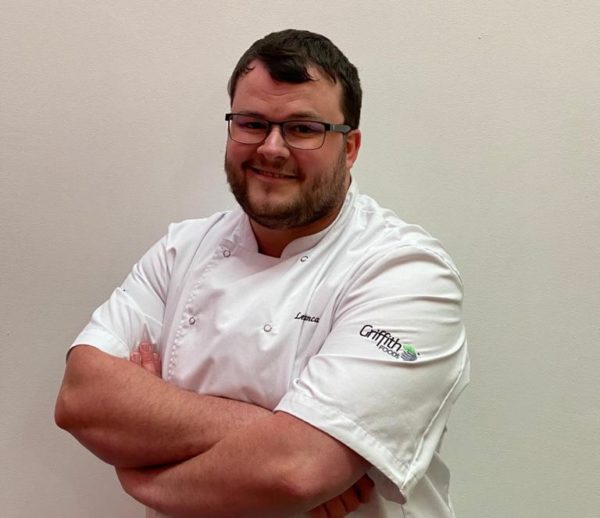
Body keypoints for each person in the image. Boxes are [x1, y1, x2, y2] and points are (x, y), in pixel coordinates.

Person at [55, 29, 469, 518]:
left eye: (303, 128)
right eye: (252, 123)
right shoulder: (180, 250)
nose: (271, 148)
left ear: (350, 147)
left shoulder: (407, 273)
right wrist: (283, 436)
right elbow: (80, 399)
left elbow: (292, 472)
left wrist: (143, 459)